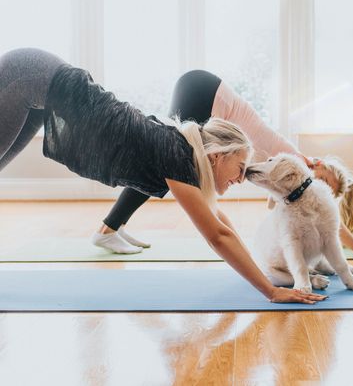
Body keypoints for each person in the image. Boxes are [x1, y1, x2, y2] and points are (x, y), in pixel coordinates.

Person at [0, 48, 326, 305]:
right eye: (240, 169)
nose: (242, 179)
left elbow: (222, 226)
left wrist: (262, 276)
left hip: (41, 85)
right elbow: (217, 236)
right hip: (31, 75)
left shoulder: (184, 155)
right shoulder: (179, 155)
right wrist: (270, 291)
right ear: (218, 156)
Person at [94, 69, 353, 259]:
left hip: (202, 86)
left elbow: (308, 211)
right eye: (323, 181)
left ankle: (115, 226)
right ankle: (108, 229)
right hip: (206, 92)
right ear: (315, 165)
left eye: (323, 189)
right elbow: (320, 211)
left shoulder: (288, 174)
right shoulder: (295, 161)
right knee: (167, 163)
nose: (316, 188)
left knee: (163, 163)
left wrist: (352, 235)